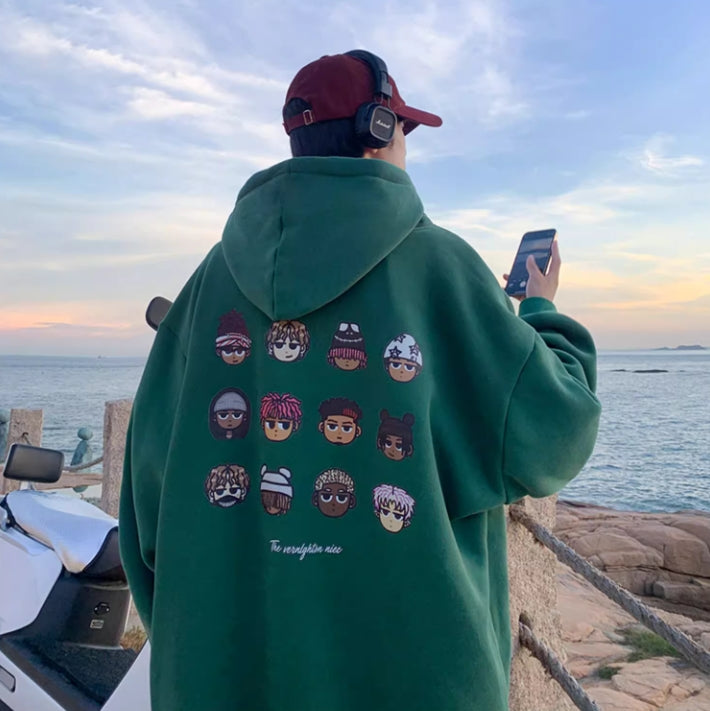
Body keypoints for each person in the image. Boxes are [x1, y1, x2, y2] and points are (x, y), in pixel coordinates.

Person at [119, 49, 601, 711]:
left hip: (226, 682)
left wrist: (196, 645)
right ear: (378, 132)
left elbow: (147, 509)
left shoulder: (207, 284)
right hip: (417, 681)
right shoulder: (440, 265)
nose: (406, 147)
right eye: (404, 129)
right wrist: (542, 312)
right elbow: (557, 432)